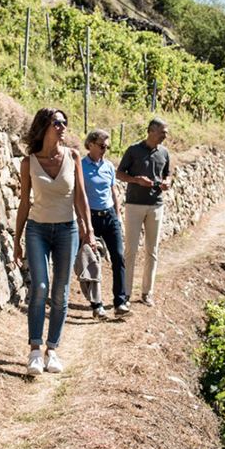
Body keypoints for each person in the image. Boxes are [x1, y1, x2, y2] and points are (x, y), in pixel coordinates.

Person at [12, 108, 93, 376]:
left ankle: (52, 350)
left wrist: (88, 229)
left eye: (64, 122)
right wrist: (16, 240)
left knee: (61, 290)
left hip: (67, 230)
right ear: (44, 126)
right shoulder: (29, 163)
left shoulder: (73, 156)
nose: (62, 127)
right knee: (40, 287)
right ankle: (35, 351)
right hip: (37, 229)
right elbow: (24, 203)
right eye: (57, 122)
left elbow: (80, 196)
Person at [117, 118, 172, 308]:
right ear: (151, 131)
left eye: (166, 132)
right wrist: (136, 180)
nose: (165, 136)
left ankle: (147, 293)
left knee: (152, 251)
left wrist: (168, 182)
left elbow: (168, 173)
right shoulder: (133, 150)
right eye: (162, 132)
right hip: (134, 205)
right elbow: (119, 173)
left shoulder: (164, 152)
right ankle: (125, 294)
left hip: (156, 205)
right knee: (130, 251)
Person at [80, 128, 128, 317]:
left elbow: (113, 192)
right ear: (90, 144)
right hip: (90, 217)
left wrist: (118, 216)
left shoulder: (108, 166)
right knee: (93, 261)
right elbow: (78, 195)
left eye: (107, 147)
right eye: (102, 146)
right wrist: (83, 223)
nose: (104, 150)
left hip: (109, 216)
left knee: (118, 257)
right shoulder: (80, 166)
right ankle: (97, 305)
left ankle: (120, 303)